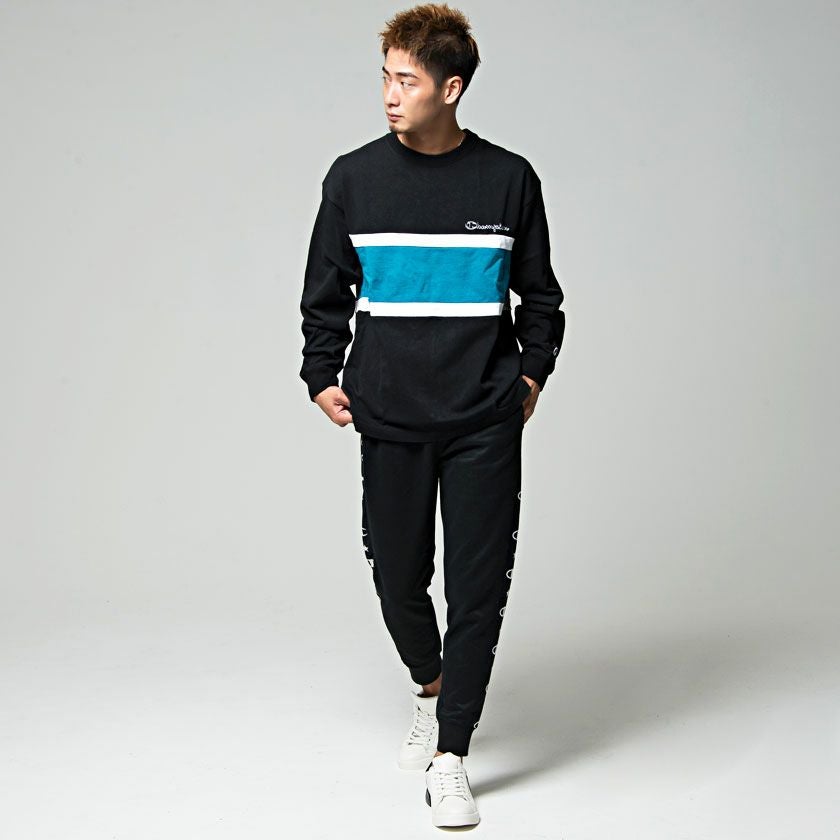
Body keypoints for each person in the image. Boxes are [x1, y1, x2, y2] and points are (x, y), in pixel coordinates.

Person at [298, 3, 565, 828]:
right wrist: (320, 373)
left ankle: (453, 754)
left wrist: (530, 377)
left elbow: (542, 298)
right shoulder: (353, 178)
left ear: (451, 88)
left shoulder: (509, 179)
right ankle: (432, 686)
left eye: (407, 81)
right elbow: (323, 292)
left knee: (478, 591)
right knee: (396, 575)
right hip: (390, 414)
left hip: (484, 418)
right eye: (385, 77)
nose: (390, 94)